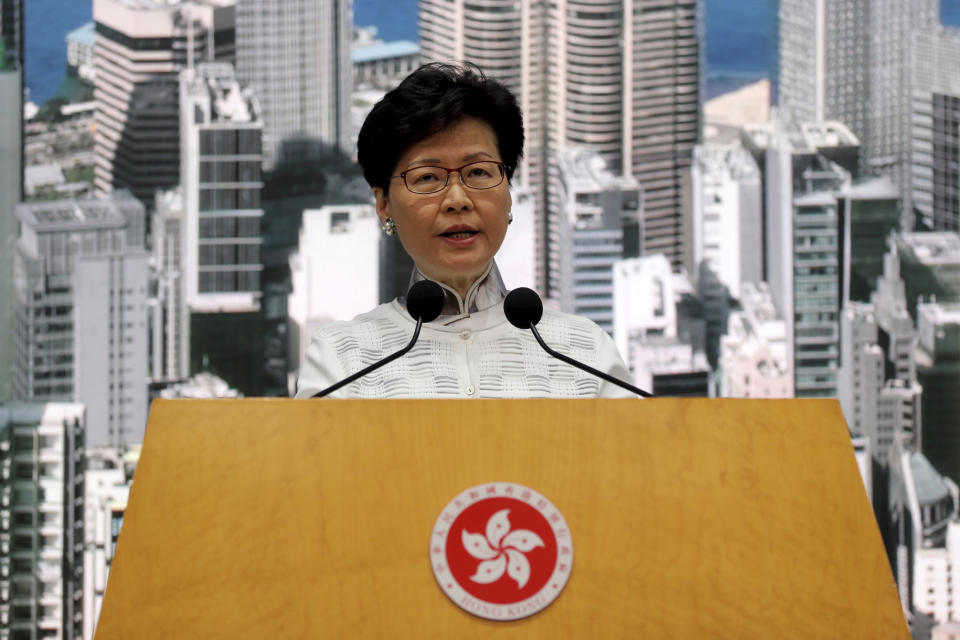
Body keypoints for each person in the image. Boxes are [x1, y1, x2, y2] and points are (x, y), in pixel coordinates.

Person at [295, 63, 635, 399]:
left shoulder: (585, 353)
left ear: (509, 192)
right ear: (383, 203)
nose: (457, 200)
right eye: (427, 177)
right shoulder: (342, 361)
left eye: (479, 173)